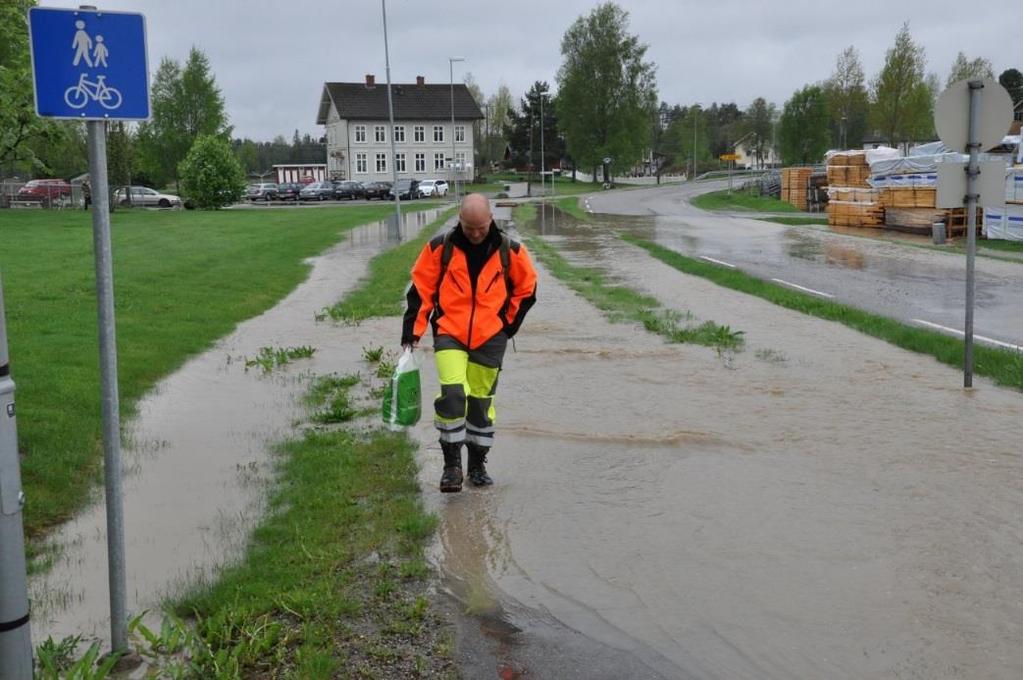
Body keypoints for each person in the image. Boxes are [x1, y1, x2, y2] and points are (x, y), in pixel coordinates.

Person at [402, 193, 537, 492]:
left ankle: (477, 465)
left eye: (481, 227)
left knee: (480, 404)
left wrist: (506, 325)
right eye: (469, 227)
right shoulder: (440, 248)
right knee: (452, 395)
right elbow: (421, 290)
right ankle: (452, 467)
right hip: (450, 332)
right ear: (459, 220)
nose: (475, 234)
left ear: (491, 220)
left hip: (490, 338)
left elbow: (527, 289)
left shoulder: (510, 251)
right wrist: (411, 334)